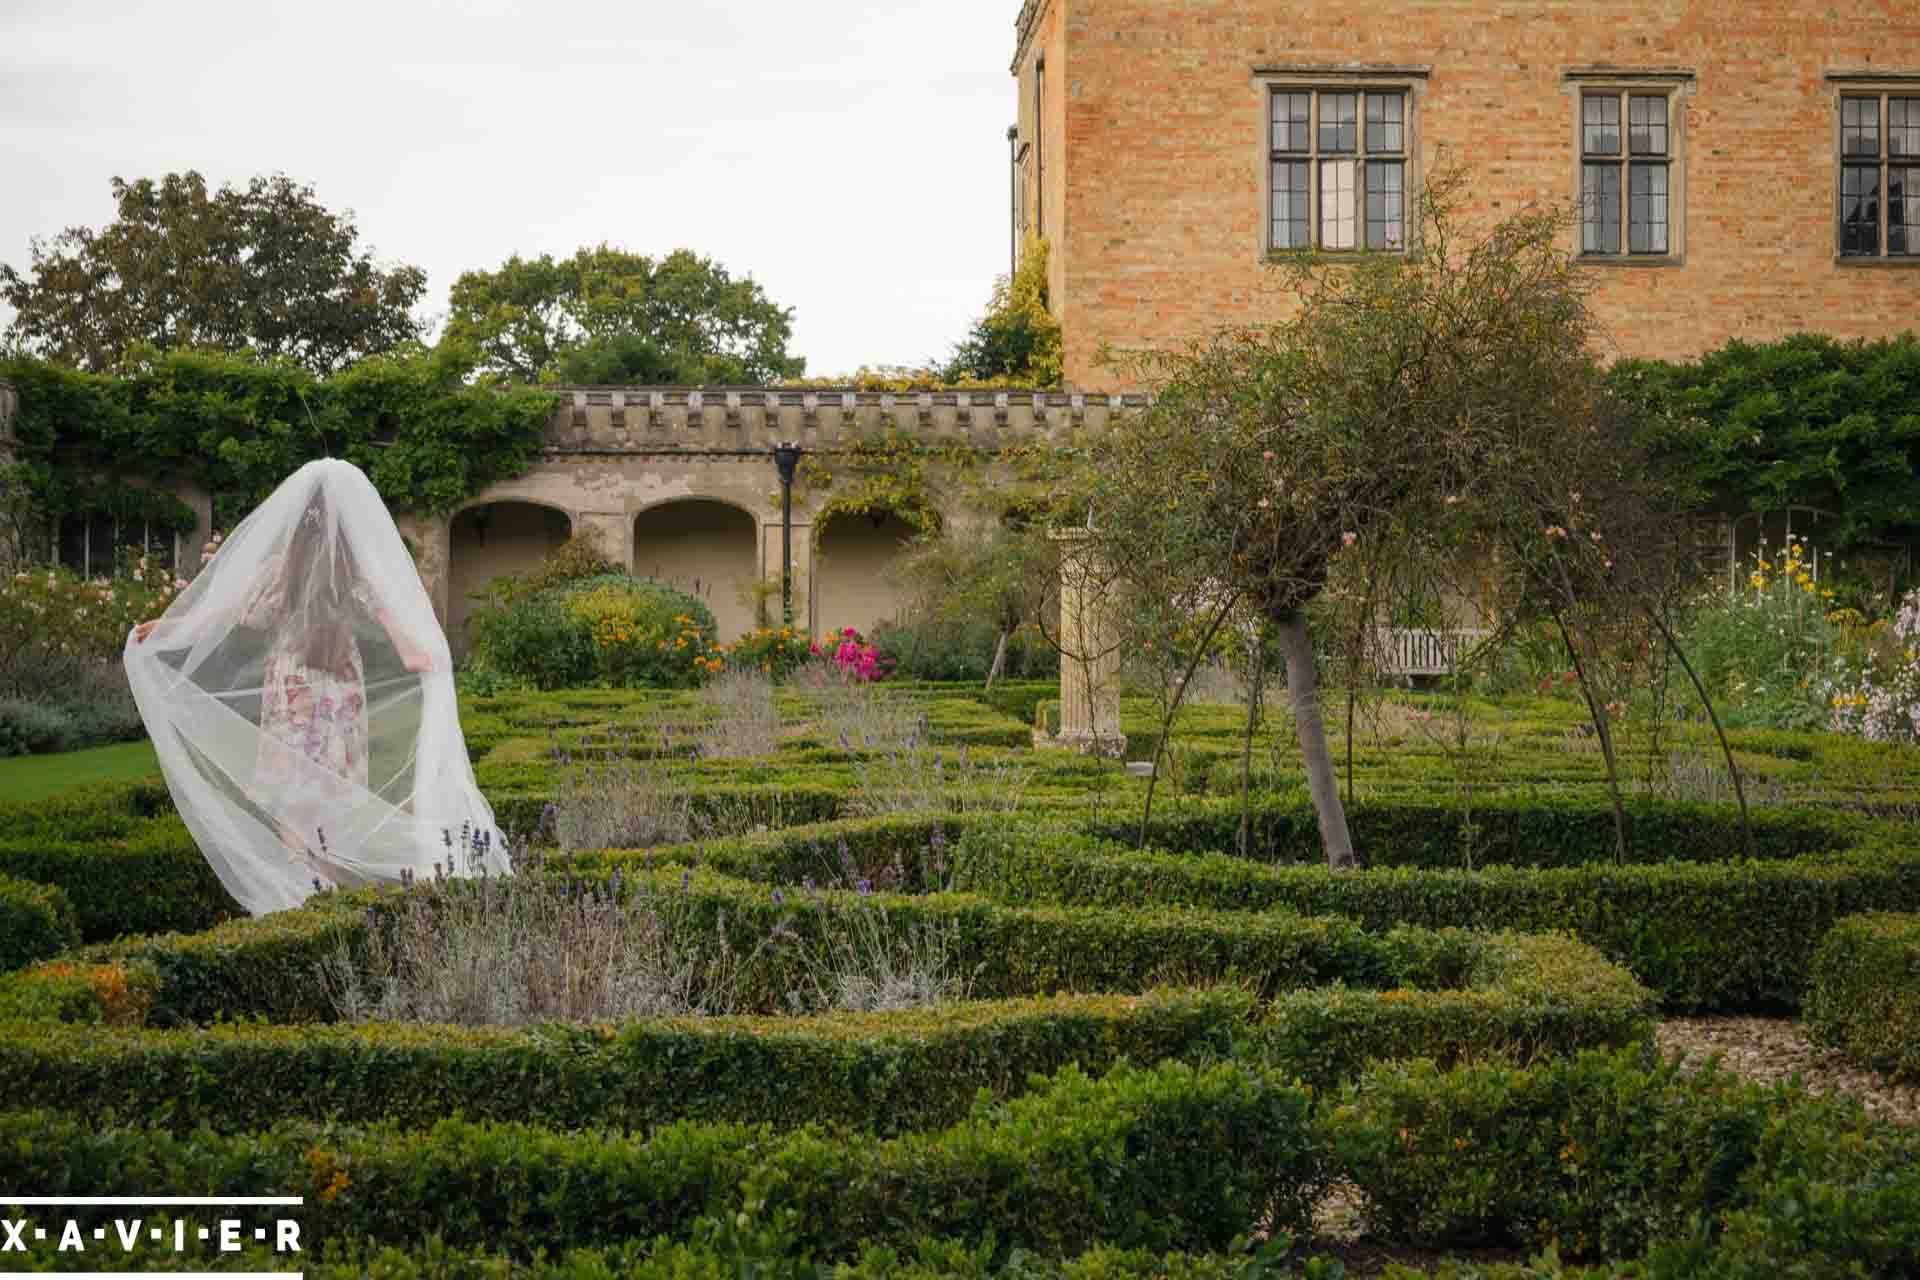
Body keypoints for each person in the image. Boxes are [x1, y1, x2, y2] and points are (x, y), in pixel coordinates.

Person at [125, 458, 508, 914]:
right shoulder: (347, 568)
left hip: (297, 685)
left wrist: (173, 625)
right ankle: (319, 894)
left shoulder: (289, 568)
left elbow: (232, 611)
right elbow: (387, 615)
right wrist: (419, 654)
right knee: (329, 794)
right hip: (336, 685)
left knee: (295, 798)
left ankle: (305, 899)